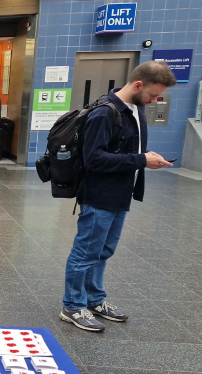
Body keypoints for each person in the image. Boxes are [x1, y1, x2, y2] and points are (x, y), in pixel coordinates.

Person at [60, 61, 175, 332]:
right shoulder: (104, 114)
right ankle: (73, 305)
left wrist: (146, 158)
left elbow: (127, 151)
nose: (154, 100)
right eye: (151, 94)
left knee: (103, 251)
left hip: (120, 195)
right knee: (86, 252)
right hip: (99, 196)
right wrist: (141, 160)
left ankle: (94, 299)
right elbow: (94, 159)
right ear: (137, 85)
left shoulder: (136, 110)